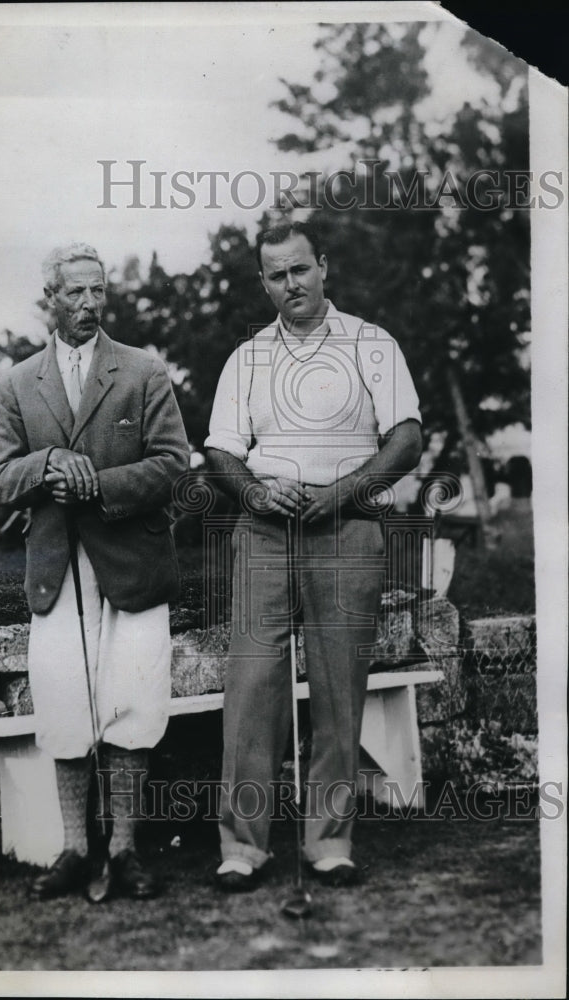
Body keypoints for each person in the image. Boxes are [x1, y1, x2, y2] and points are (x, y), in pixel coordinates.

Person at [205, 219, 423, 892]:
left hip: (346, 527)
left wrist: (339, 495)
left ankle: (328, 841)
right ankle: (243, 847)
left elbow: (406, 439)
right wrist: (254, 493)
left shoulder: (370, 343)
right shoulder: (248, 356)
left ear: (322, 267)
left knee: (336, 689)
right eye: (277, 275)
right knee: (250, 692)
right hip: (266, 534)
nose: (291, 283)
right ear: (262, 283)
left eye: (300, 269)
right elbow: (218, 450)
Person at [0, 243, 188, 902]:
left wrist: (96, 484)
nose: (88, 303)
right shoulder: (19, 382)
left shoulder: (141, 371)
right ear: (50, 297)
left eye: (97, 290)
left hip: (130, 563)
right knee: (65, 699)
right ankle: (75, 848)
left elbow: (170, 464)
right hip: (56, 569)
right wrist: (46, 464)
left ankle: (125, 850)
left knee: (132, 699)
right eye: (74, 292)